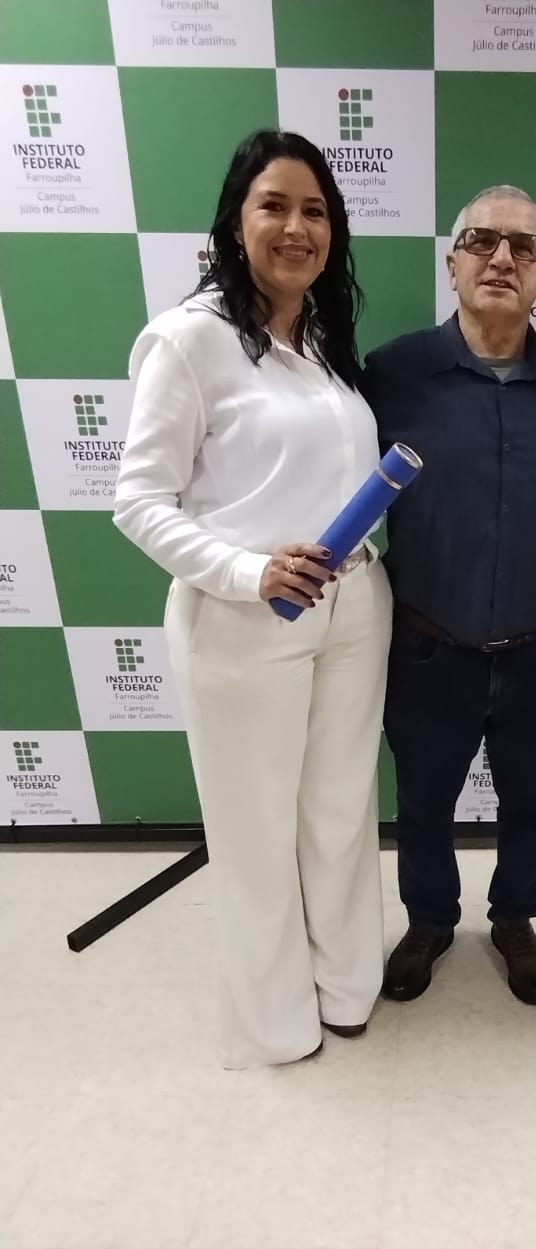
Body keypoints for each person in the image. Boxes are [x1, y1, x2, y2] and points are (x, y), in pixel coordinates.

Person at [113, 130, 392, 1068]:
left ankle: (347, 989)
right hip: (244, 619)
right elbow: (137, 502)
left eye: (315, 210)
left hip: (354, 606)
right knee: (256, 830)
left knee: (341, 811)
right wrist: (248, 571)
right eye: (274, 205)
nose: (296, 227)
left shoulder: (320, 338)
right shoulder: (188, 339)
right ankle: (275, 1026)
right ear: (236, 222)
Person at [363, 185, 536, 1006]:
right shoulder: (391, 376)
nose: (502, 258)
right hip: (428, 648)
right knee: (423, 804)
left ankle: (515, 920)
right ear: (452, 263)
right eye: (481, 241)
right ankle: (429, 921)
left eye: (524, 247)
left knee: (532, 805)